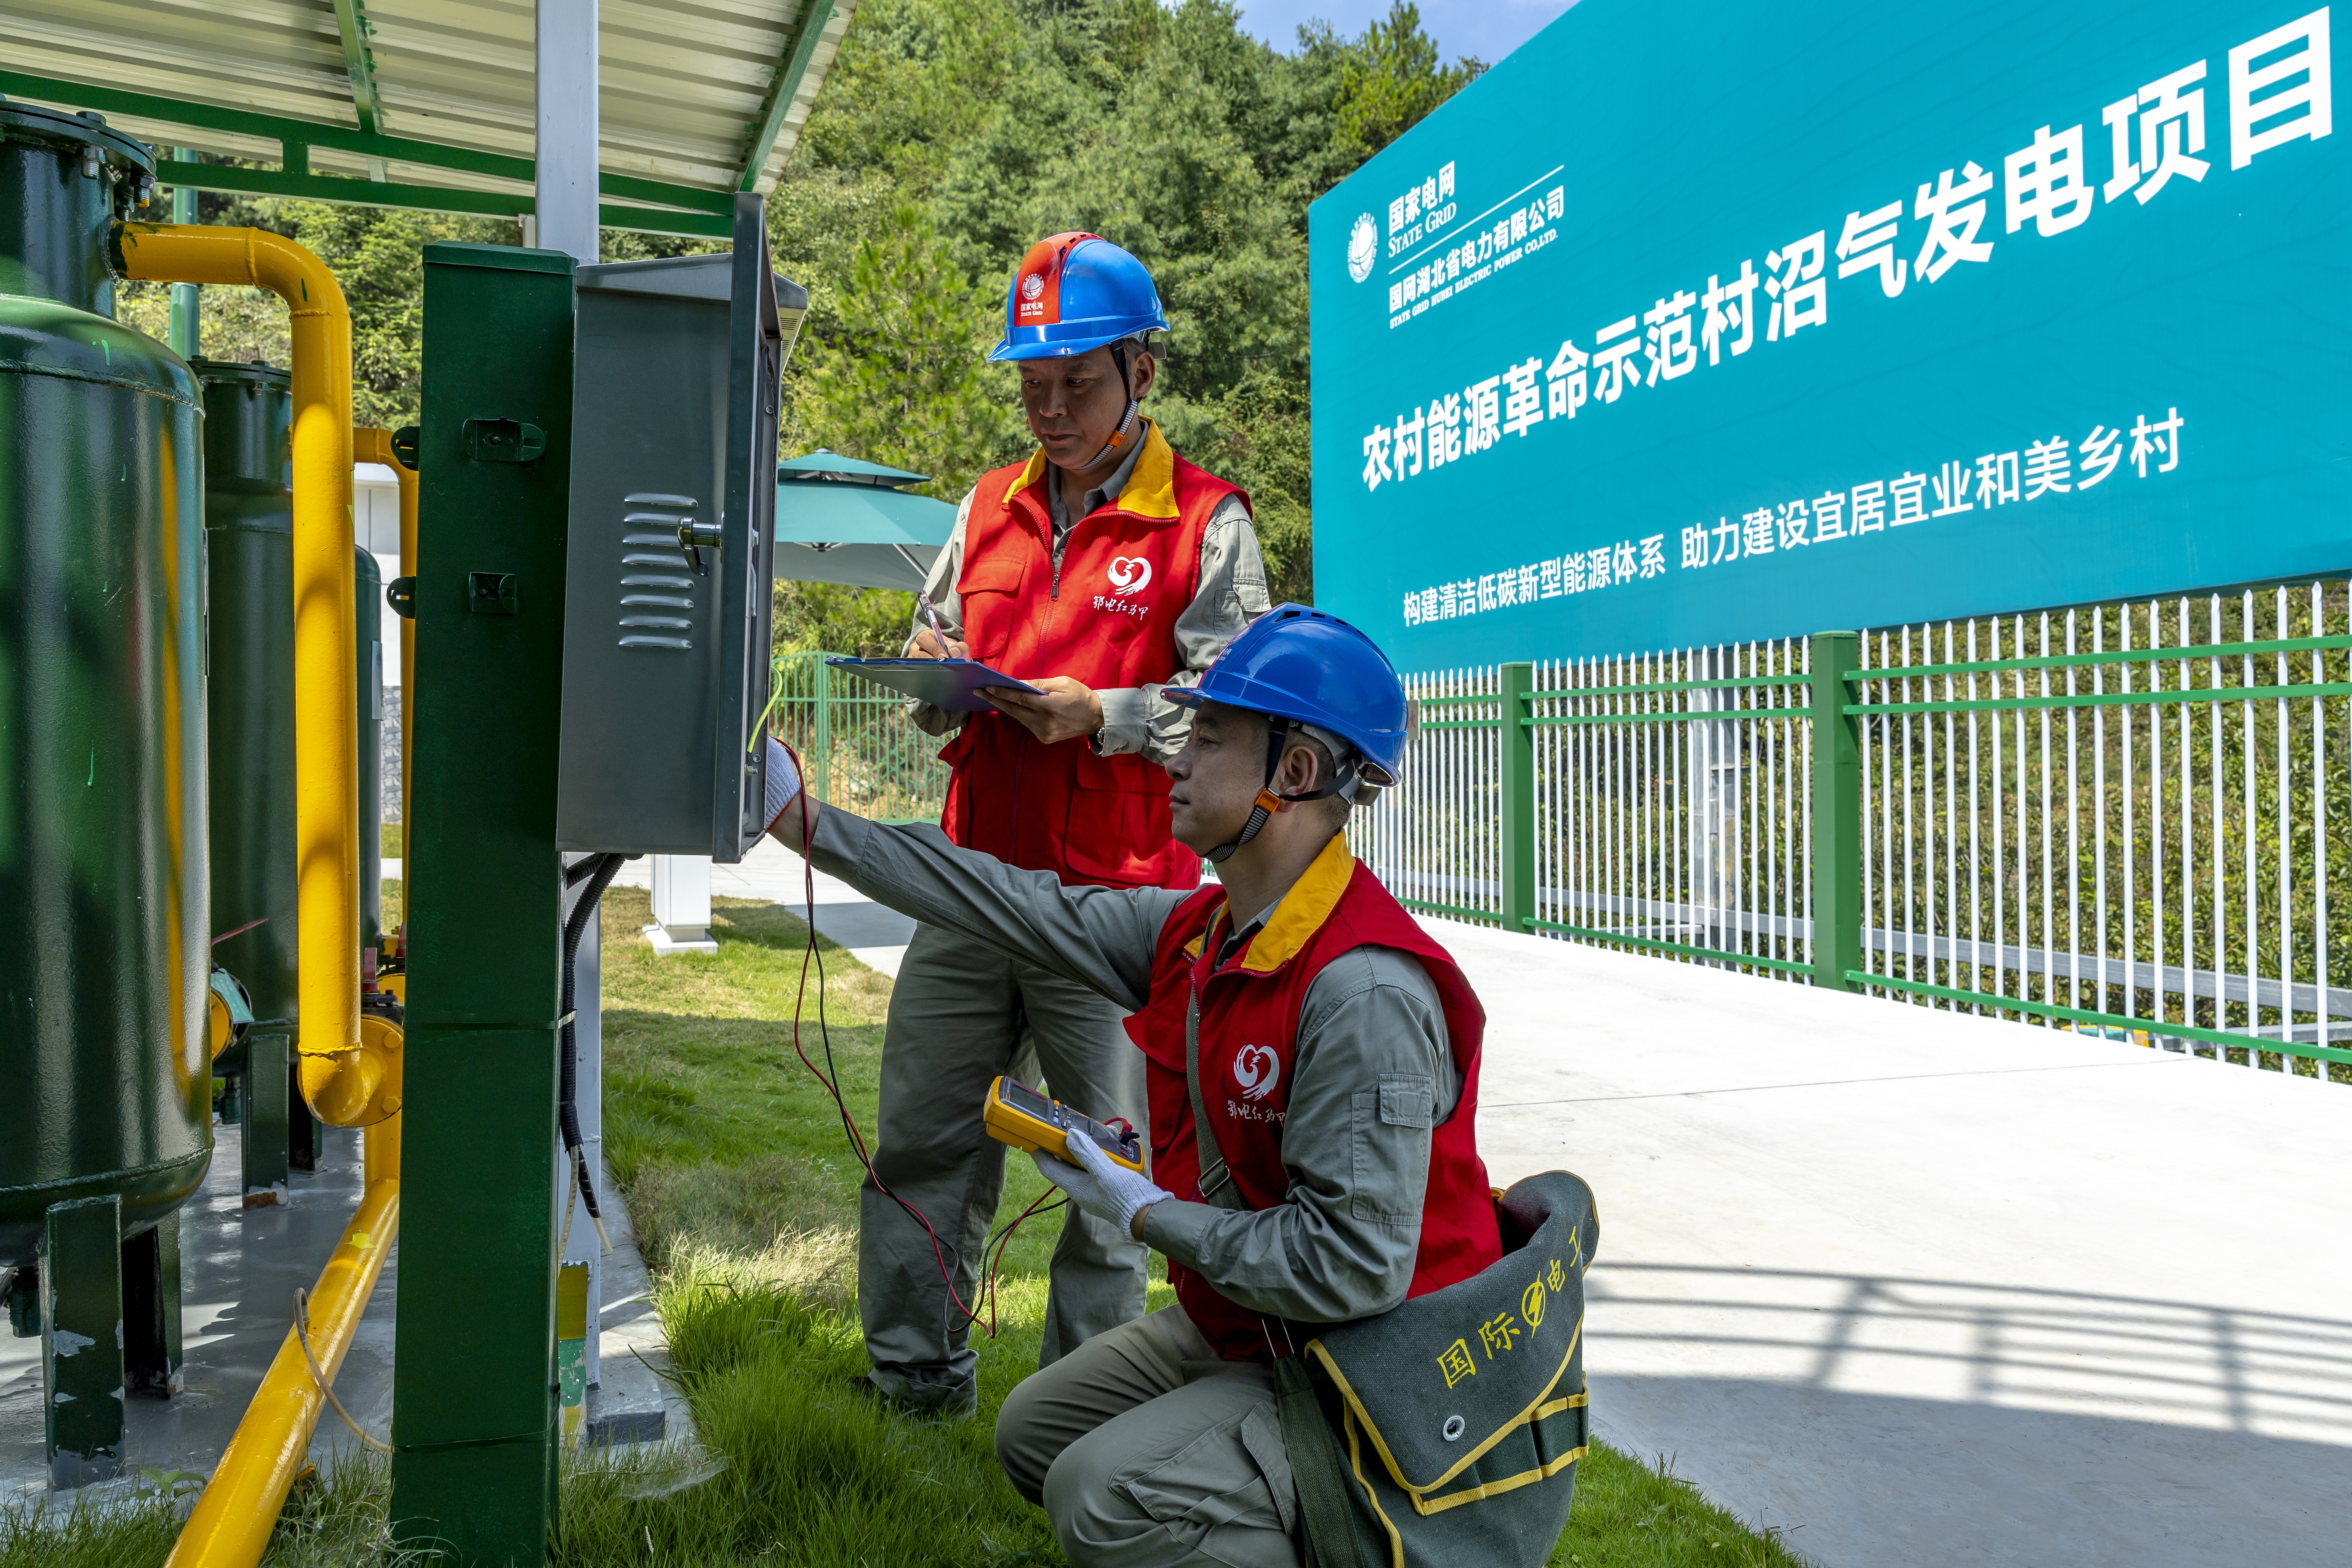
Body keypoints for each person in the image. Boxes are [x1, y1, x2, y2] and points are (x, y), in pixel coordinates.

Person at [764, 605, 1510, 1566]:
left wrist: (1148, 1211)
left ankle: (1374, 1532)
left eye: (1209, 736)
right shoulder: (1200, 930)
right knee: (1035, 1434)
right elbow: (1005, 898)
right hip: (1258, 1329)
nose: (1177, 758)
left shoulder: (1362, 989)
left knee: (1097, 1494)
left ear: (1295, 774)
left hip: (1373, 1372)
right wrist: (802, 819)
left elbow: (1354, 1269)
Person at [866, 231, 1272, 1415]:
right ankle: (911, 1383)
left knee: (1105, 1172)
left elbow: (1236, 719)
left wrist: (1105, 715)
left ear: (1142, 372)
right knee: (923, 1136)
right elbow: (936, 635)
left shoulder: (1205, 522)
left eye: (1077, 384)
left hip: (1119, 902)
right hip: (973, 875)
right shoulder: (985, 507)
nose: (1049, 409)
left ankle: (1077, 1413)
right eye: (1032, 386)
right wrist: (931, 672)